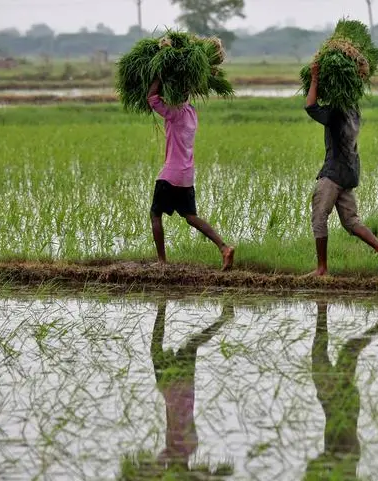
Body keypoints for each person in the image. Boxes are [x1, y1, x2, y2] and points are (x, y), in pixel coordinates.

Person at [304, 62, 378, 278]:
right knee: (350, 221)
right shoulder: (353, 108)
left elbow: (311, 106)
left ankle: (321, 269)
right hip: (349, 171)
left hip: (333, 172)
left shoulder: (336, 112)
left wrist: (315, 78)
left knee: (319, 217)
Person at [147, 79, 234, 270]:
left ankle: (162, 261)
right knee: (190, 216)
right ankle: (224, 247)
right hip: (186, 175)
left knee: (155, 214)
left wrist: (158, 78)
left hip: (171, 174)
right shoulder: (191, 112)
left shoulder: (175, 113)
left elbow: (152, 98)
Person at [305, 301, 378, 480]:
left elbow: (315, 466)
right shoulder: (348, 464)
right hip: (342, 405)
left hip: (330, 404)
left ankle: (322, 307)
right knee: (349, 350)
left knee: (320, 352)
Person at [149, 300, 234, 471]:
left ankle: (162, 306)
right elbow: (159, 463)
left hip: (175, 388)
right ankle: (225, 317)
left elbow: (158, 464)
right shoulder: (182, 450)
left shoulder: (186, 449)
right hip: (177, 387)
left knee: (179, 346)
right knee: (185, 346)